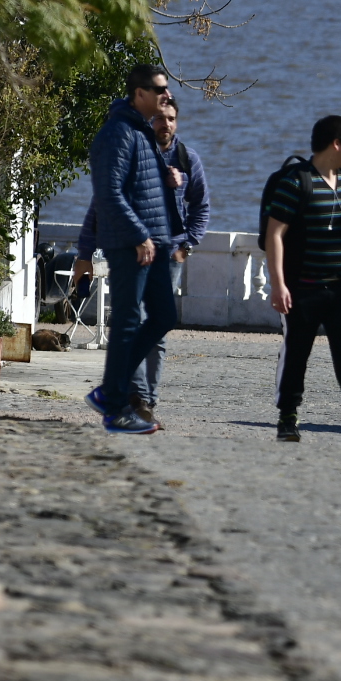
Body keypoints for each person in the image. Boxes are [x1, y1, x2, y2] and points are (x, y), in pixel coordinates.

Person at [72, 98, 208, 423]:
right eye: (160, 119)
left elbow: (201, 207)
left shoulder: (187, 160)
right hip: (130, 251)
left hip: (167, 254)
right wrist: (85, 254)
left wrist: (187, 244)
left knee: (158, 328)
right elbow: (101, 205)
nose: (166, 125)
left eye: (171, 119)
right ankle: (134, 397)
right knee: (134, 321)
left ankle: (147, 398)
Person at [265, 115, 341, 445]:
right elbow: (275, 234)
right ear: (336, 143)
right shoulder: (296, 181)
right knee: (296, 353)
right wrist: (278, 284)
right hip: (302, 287)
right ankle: (288, 418)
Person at [82, 64, 183, 435]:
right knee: (126, 323)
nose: (166, 96)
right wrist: (139, 235)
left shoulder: (142, 131)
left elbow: (144, 190)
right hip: (131, 244)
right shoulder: (118, 133)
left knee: (164, 317)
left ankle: (110, 391)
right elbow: (108, 194)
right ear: (138, 93)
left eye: (167, 90)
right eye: (159, 90)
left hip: (155, 244)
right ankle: (116, 407)